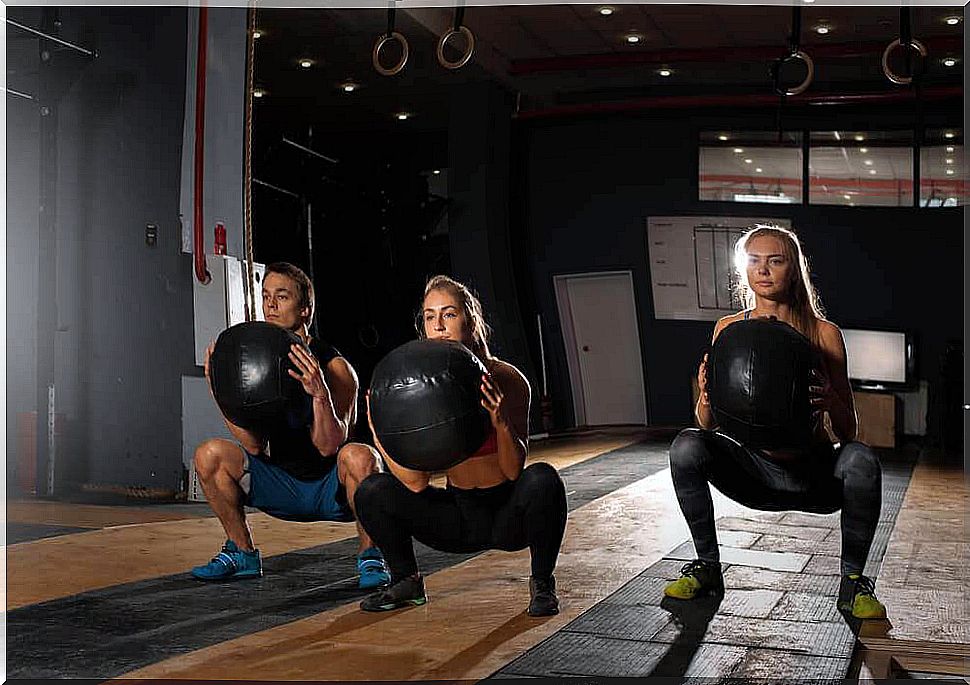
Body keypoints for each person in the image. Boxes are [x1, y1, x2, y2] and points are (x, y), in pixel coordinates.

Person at [665, 225, 886, 620]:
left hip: (812, 474)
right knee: (685, 446)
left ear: (793, 269)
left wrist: (832, 399)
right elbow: (705, 423)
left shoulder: (824, 334)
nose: (763, 270)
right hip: (754, 471)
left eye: (775, 261)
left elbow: (849, 430)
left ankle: (854, 583)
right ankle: (708, 567)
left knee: (861, 460)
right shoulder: (727, 329)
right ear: (743, 269)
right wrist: (706, 393)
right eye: (754, 261)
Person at [343, 275, 567, 616]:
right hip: (460, 518)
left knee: (544, 479)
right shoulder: (423, 388)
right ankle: (406, 580)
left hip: (509, 514)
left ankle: (541, 583)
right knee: (372, 490)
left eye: (448, 314)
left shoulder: (508, 379)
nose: (439, 325)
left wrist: (500, 420)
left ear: (470, 320)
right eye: (430, 317)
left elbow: (511, 470)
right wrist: (378, 432)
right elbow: (415, 483)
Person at [191, 262, 390, 589]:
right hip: (281, 483)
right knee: (209, 455)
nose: (270, 305)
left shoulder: (337, 367)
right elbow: (253, 445)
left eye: (281, 297)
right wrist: (217, 391)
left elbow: (329, 446)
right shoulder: (261, 359)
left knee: (362, 456)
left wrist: (319, 393)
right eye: (266, 296)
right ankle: (242, 552)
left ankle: (371, 555)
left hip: (332, 490)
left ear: (305, 310)